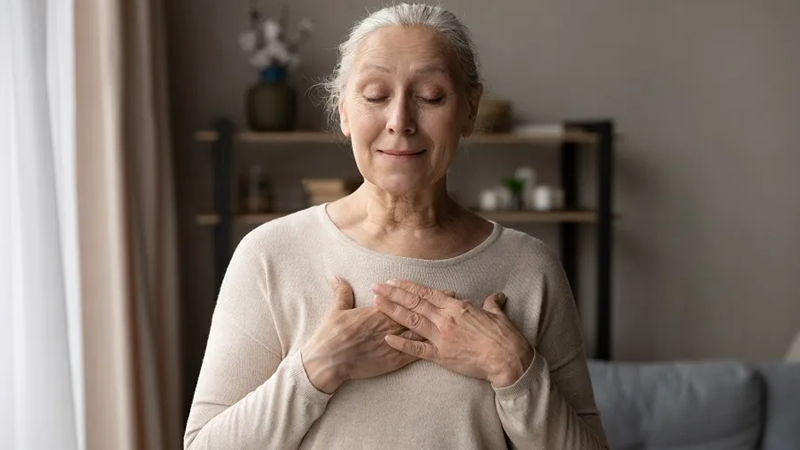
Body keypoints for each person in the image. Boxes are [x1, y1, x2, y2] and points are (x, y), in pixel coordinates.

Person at [184, 3, 608, 449]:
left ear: (470, 109)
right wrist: (318, 368)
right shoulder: (270, 254)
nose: (400, 122)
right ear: (343, 110)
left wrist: (514, 369)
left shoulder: (529, 266)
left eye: (430, 96)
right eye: (374, 95)